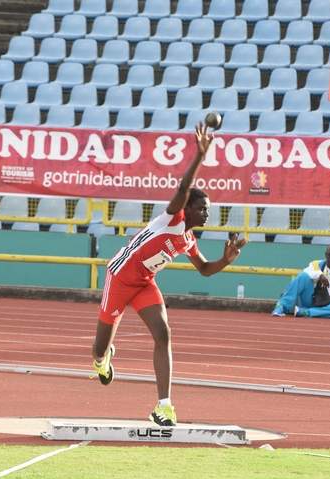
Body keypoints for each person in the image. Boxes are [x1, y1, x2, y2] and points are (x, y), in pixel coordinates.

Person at [92, 123, 247, 427]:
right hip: (120, 277)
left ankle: (164, 407)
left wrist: (225, 261)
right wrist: (200, 156)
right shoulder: (172, 219)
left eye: (208, 210)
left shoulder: (188, 238)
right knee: (98, 349)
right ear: (187, 209)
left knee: (163, 334)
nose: (207, 213)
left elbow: (204, 270)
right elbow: (182, 189)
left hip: (144, 284)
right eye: (202, 208)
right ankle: (102, 358)